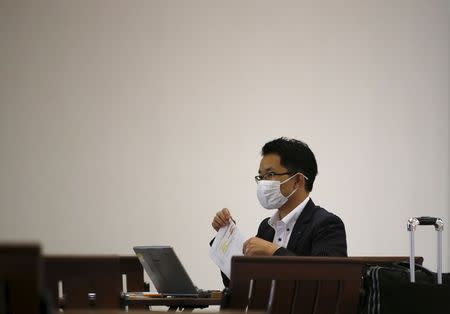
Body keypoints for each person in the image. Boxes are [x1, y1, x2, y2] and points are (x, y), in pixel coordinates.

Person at [211, 137, 347, 287]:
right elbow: (238, 283)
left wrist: (273, 251)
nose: (263, 183)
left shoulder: (326, 224)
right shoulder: (267, 228)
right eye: (260, 177)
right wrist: (226, 236)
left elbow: (329, 281)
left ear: (298, 180)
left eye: (270, 174)